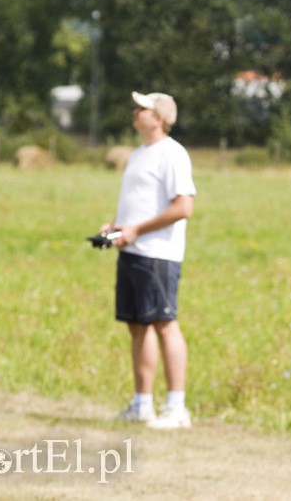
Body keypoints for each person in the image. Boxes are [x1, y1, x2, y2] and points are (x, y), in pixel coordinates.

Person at [100, 91, 197, 430]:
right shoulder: (140, 154)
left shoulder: (172, 154)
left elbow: (183, 207)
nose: (134, 111)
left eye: (141, 108)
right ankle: (142, 404)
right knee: (137, 326)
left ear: (158, 118)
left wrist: (136, 229)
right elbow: (140, 203)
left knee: (163, 323)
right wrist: (117, 229)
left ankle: (176, 407)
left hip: (158, 255)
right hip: (134, 252)